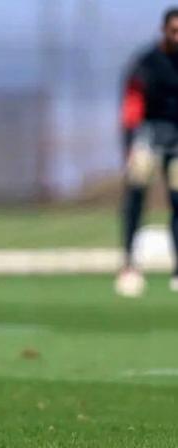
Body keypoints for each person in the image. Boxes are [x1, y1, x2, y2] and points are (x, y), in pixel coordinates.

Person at [115, 7, 178, 297]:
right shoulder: (147, 63)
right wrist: (130, 144)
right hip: (148, 136)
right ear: (163, 30)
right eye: (174, 31)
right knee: (135, 197)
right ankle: (129, 265)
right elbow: (132, 104)